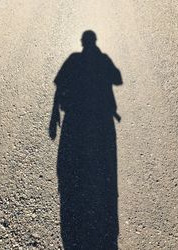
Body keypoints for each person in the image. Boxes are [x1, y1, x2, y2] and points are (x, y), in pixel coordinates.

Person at [49, 30, 122, 250]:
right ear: (94, 42)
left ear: (82, 43)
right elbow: (117, 79)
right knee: (104, 164)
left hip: (76, 119)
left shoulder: (74, 59)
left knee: (71, 164)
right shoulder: (102, 60)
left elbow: (59, 87)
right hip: (100, 121)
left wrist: (54, 117)